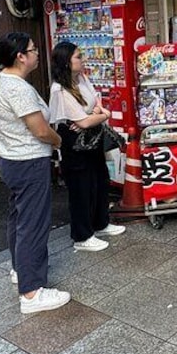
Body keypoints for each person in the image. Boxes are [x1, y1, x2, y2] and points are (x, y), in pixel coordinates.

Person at [0, 33, 70, 315]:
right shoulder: (17, 89)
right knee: (33, 225)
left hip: (12, 161)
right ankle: (32, 292)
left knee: (20, 220)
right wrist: (59, 141)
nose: (37, 54)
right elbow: (39, 130)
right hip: (28, 163)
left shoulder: (4, 82)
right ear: (20, 56)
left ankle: (19, 270)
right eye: (33, 50)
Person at [49, 41, 126, 252]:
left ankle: (101, 223)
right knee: (81, 187)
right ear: (65, 62)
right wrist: (101, 115)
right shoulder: (59, 89)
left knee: (100, 179)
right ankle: (82, 235)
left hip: (92, 136)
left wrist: (97, 115)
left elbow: (95, 104)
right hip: (73, 141)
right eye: (77, 56)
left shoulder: (82, 78)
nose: (82, 60)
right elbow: (81, 122)